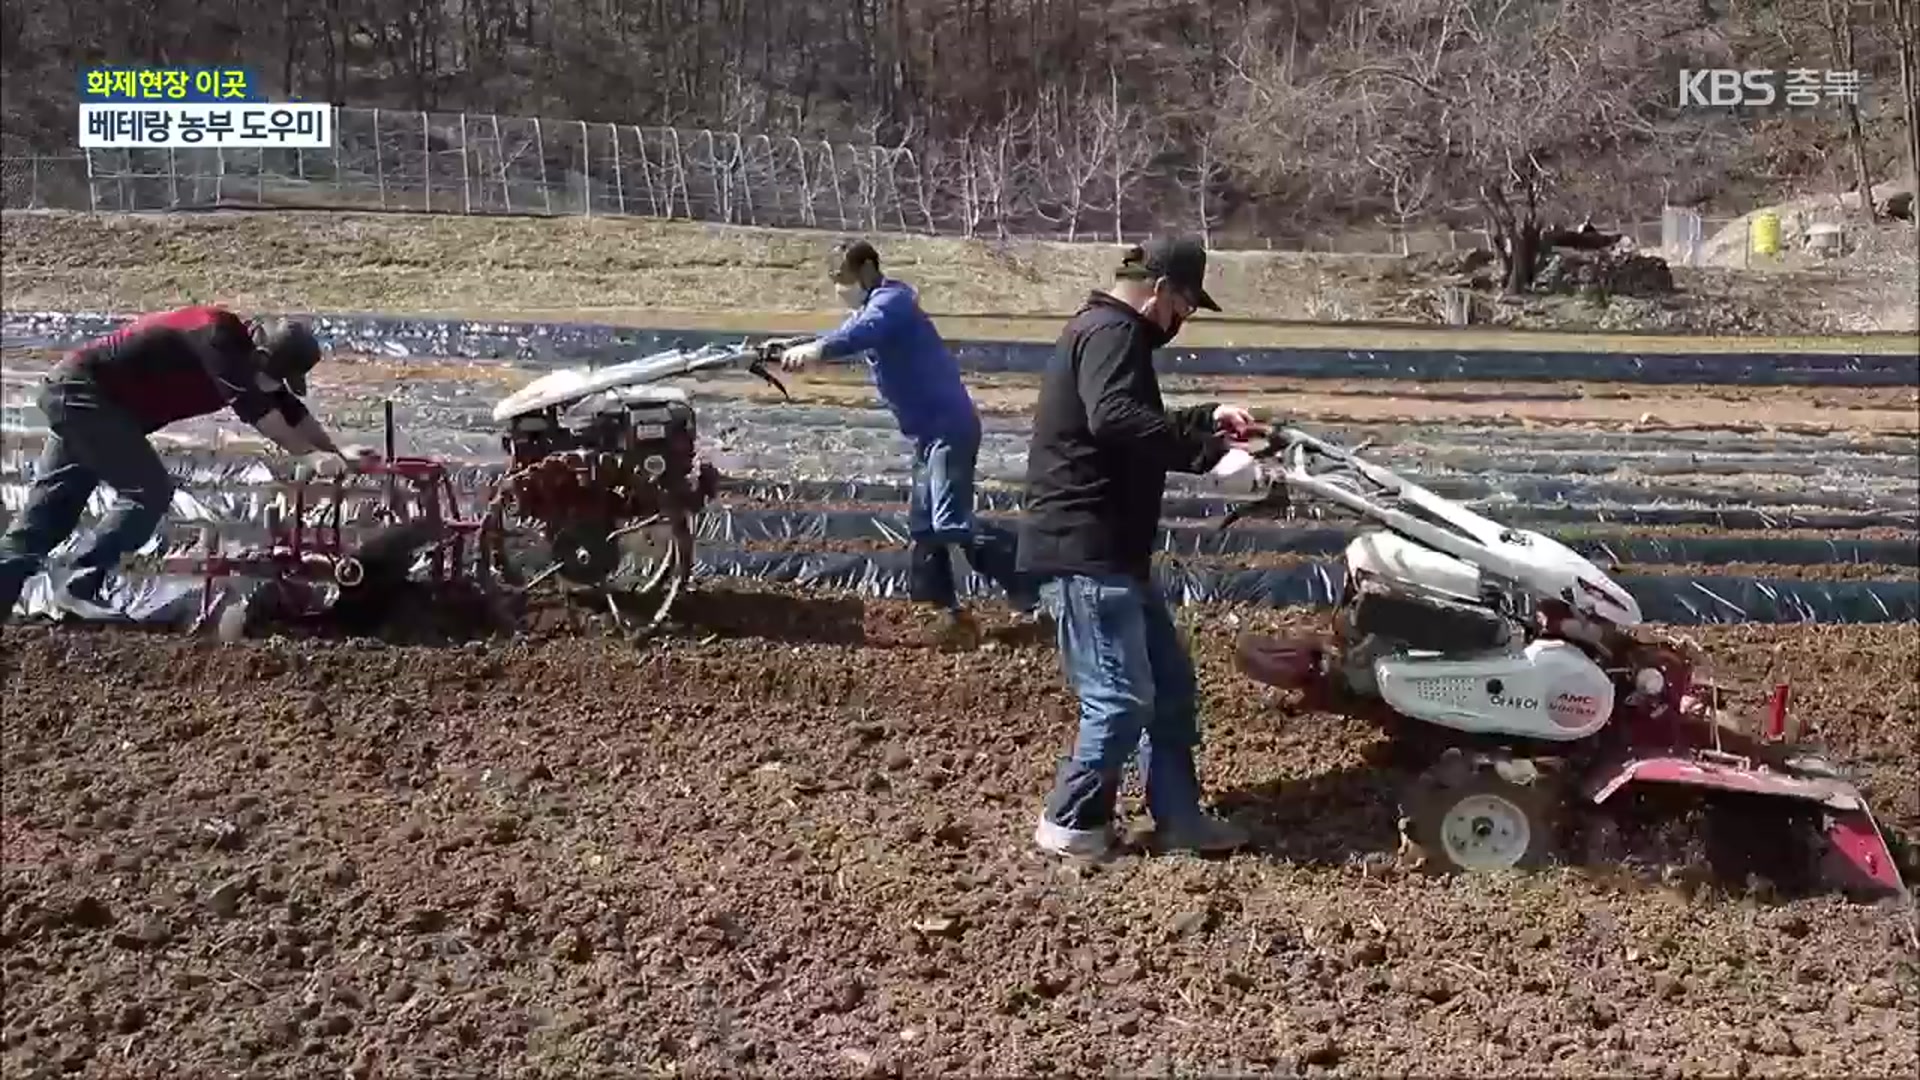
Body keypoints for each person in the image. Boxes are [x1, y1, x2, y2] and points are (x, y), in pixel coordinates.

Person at [1018, 235, 1262, 858]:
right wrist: (1208, 459)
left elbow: (1127, 415)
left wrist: (1206, 418)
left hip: (1115, 553)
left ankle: (1180, 819)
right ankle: (1070, 825)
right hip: (1088, 550)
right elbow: (1116, 419)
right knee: (1120, 700)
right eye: (1185, 306)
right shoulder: (1111, 333)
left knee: (1171, 690)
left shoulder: (1106, 333)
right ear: (1160, 291)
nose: (1183, 321)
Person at [0, 305, 366, 623]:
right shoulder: (218, 336)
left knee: (45, 516)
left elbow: (288, 409)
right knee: (149, 491)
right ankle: (77, 583)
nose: (276, 385)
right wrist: (308, 456)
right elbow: (261, 414)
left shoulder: (249, 358)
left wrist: (335, 453)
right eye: (275, 376)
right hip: (85, 393)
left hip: (88, 401)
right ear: (260, 357)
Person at [779, 239, 1031, 642]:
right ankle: (944, 615)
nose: (839, 288)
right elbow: (846, 331)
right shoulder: (872, 308)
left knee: (950, 522)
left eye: (842, 279)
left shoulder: (891, 303)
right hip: (927, 435)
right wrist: (795, 348)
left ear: (865, 270)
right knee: (924, 527)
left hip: (950, 429)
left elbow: (862, 332)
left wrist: (819, 349)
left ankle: (1034, 583)